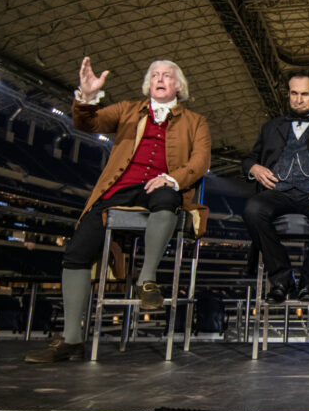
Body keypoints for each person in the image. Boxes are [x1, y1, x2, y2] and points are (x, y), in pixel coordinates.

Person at [25, 57, 211, 363]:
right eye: (154, 75)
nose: (159, 79)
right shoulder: (127, 109)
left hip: (163, 186)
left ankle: (146, 280)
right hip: (119, 189)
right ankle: (71, 340)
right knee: (76, 254)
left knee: (167, 199)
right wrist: (86, 98)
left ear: (178, 86)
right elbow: (88, 123)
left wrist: (173, 178)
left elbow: (201, 161)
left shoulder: (195, 121)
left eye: (167, 75)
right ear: (148, 83)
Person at [243, 70, 309, 303]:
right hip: (277, 191)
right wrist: (254, 168)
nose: (299, 99)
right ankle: (282, 278)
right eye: (294, 93)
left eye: (304, 94)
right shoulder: (270, 127)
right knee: (253, 209)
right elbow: (249, 159)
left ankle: (307, 280)